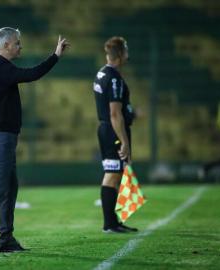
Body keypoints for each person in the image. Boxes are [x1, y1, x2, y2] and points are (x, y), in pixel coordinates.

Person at [0, 27, 69, 253]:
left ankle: (6, 239)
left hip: (3, 137)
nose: (20, 46)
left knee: (9, 189)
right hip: (0, 138)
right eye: (17, 43)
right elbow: (32, 74)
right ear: (6, 45)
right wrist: (55, 56)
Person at [93, 36, 138, 233]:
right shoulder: (114, 79)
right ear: (120, 55)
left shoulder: (102, 73)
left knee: (117, 173)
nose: (128, 54)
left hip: (107, 128)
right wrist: (125, 142)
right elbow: (114, 113)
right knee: (112, 174)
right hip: (113, 130)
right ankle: (109, 224)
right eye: (126, 51)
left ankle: (114, 221)